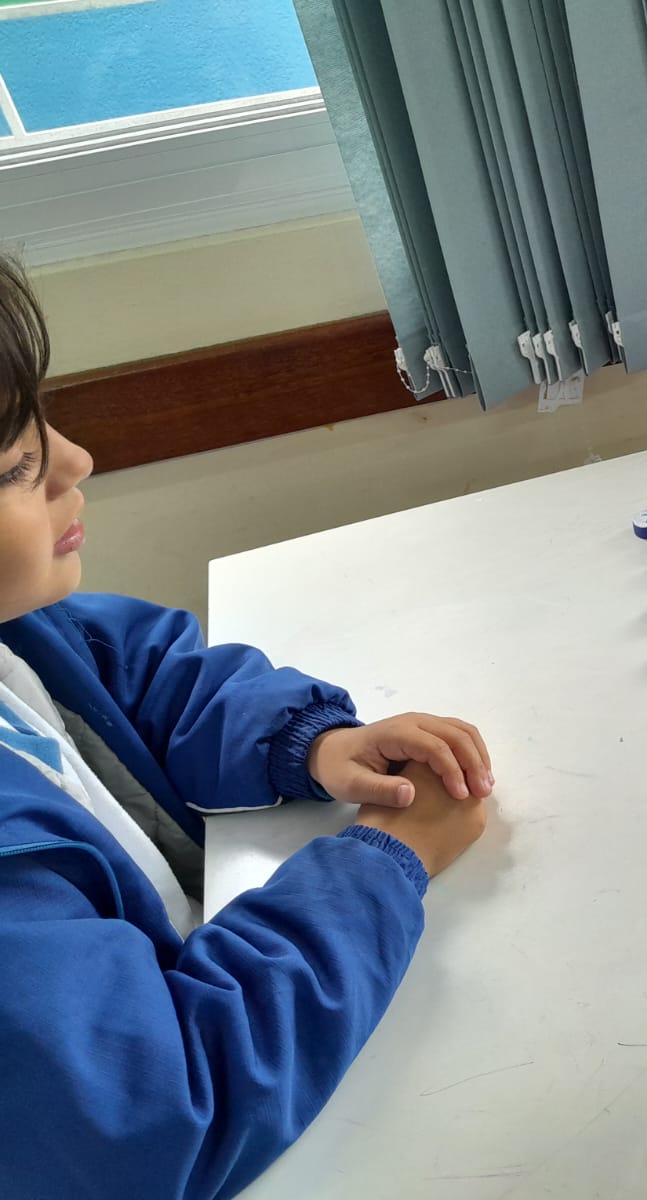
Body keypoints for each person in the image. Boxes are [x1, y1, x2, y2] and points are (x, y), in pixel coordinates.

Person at [0, 256, 496, 1199]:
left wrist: (307, 740)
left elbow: (142, 672)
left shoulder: (19, 630)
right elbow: (163, 1110)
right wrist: (384, 865)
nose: (76, 461)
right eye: (18, 466)